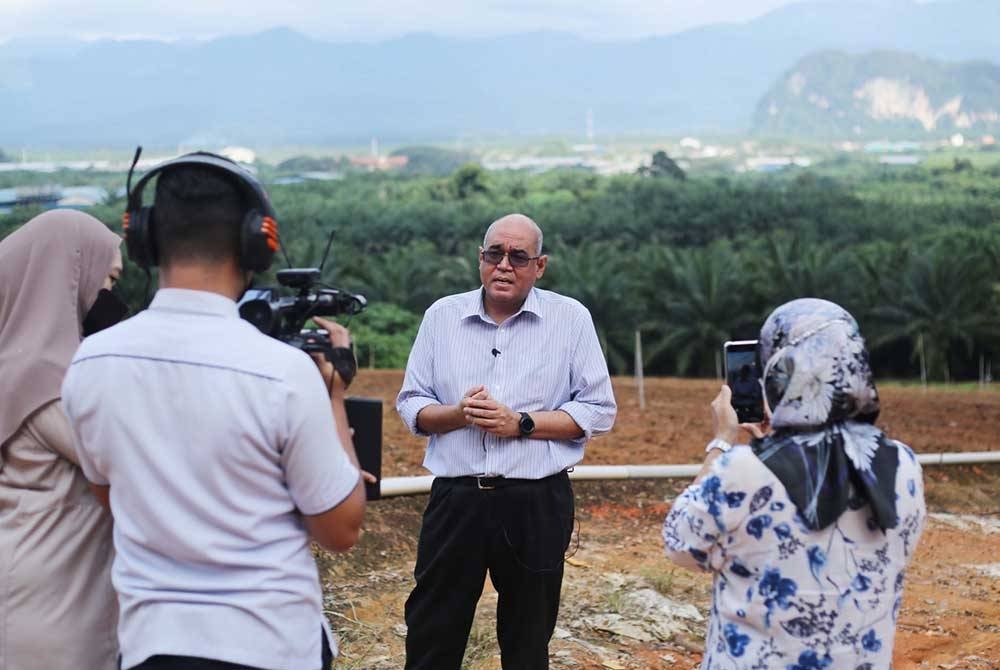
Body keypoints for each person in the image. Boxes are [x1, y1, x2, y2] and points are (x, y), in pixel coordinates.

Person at [60, 154, 367, 670]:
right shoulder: (282, 372)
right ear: (256, 242)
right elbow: (341, 530)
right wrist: (333, 394)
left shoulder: (92, 362)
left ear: (146, 239)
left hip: (148, 645)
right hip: (270, 644)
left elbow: (109, 495)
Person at [396, 213, 617, 670]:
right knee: (432, 630)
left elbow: (598, 410)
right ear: (480, 258)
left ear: (540, 265)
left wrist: (522, 424)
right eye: (494, 254)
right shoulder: (442, 316)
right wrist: (458, 415)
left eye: (518, 256)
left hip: (536, 500)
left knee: (527, 637)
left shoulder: (570, 319)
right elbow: (412, 404)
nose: (504, 265)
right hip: (457, 501)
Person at [662, 298, 926, 669]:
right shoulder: (903, 465)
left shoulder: (743, 469)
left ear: (776, 371)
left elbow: (680, 543)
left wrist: (722, 440)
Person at [0, 209, 125, 670]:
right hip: (52, 606)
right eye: (107, 279)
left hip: (50, 584)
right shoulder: (47, 380)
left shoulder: (20, 365)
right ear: (69, 279)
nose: (112, 296)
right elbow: (126, 457)